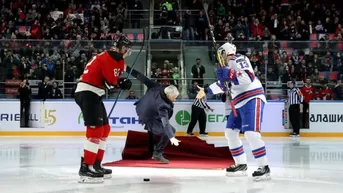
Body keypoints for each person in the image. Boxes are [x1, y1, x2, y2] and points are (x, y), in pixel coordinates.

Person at [205, 42, 270, 180]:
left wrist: (230, 74)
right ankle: (240, 164)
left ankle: (264, 167)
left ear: (227, 52)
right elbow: (223, 86)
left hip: (252, 97)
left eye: (221, 54)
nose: (220, 57)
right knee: (230, 133)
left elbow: (247, 78)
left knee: (251, 133)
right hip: (238, 102)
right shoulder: (225, 67)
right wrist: (206, 91)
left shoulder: (239, 59)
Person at [74, 35, 133, 183]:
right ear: (122, 48)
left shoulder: (114, 58)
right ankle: (86, 167)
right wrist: (121, 83)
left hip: (94, 93)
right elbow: (109, 84)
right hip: (87, 92)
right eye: (127, 49)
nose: (127, 52)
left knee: (105, 128)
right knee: (95, 130)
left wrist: (120, 81)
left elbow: (111, 80)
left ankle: (95, 164)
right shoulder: (110, 58)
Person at [125, 65, 181, 164]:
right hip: (148, 116)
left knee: (156, 131)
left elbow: (141, 77)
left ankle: (152, 150)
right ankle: (157, 153)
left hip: (149, 111)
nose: (175, 99)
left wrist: (127, 68)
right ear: (168, 95)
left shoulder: (157, 86)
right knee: (171, 131)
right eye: (174, 97)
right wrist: (172, 137)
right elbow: (166, 123)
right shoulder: (162, 105)